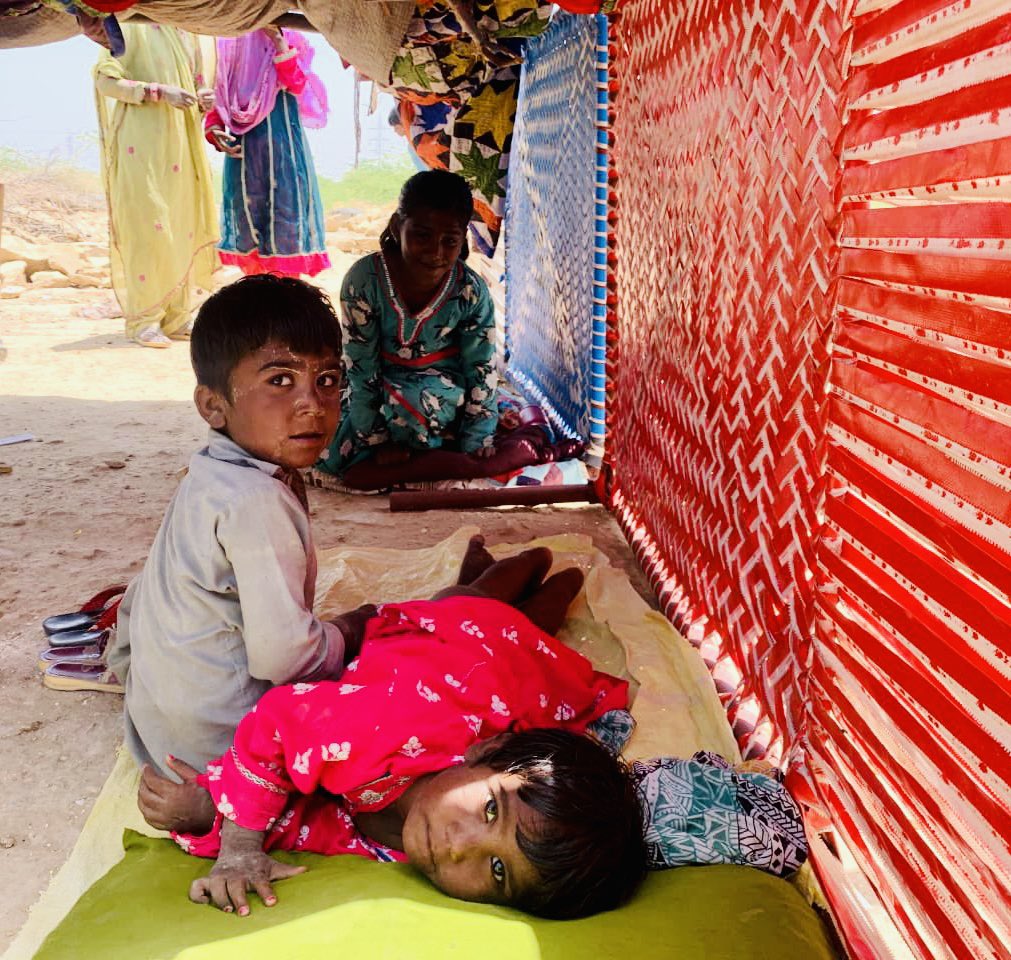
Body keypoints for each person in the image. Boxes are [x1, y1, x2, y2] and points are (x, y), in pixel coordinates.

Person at [138, 546, 648, 920]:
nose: (458, 848)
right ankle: (540, 559)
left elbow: (310, 823)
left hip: (500, 674)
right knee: (477, 601)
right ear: (486, 752)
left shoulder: (399, 847)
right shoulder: (370, 731)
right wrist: (239, 846)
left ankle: (559, 582)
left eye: (497, 871)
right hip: (462, 648)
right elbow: (277, 725)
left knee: (536, 633)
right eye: (491, 808)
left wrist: (210, 812)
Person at [107, 274, 369, 775]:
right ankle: (220, 803)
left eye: (328, 380)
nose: (311, 403)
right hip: (222, 750)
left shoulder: (209, 472)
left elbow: (137, 602)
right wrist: (347, 632)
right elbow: (283, 658)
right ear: (213, 406)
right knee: (403, 713)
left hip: (160, 727)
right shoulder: (254, 501)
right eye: (279, 380)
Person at [94, 21, 218, 347]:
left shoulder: (187, 31)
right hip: (142, 141)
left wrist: (202, 98)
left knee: (180, 225)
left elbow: (193, 82)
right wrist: (158, 92)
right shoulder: (130, 25)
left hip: (180, 141)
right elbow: (105, 80)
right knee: (148, 227)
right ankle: (143, 320)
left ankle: (176, 317)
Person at [204, 26, 330, 278]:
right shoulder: (229, 43)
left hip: (284, 150)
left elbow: (296, 84)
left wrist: (279, 43)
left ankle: (285, 298)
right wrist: (214, 128)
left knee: (286, 218)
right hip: (246, 151)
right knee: (248, 218)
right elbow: (221, 93)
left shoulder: (291, 37)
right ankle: (257, 296)